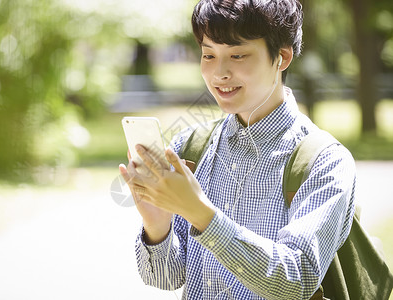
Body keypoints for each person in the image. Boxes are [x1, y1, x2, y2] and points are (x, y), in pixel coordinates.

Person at [119, 0, 356, 299]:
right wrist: (156, 226)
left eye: (237, 55)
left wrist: (201, 214)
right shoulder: (190, 147)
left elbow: (297, 280)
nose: (219, 73)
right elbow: (168, 278)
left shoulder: (325, 161)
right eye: (208, 54)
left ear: (281, 57)